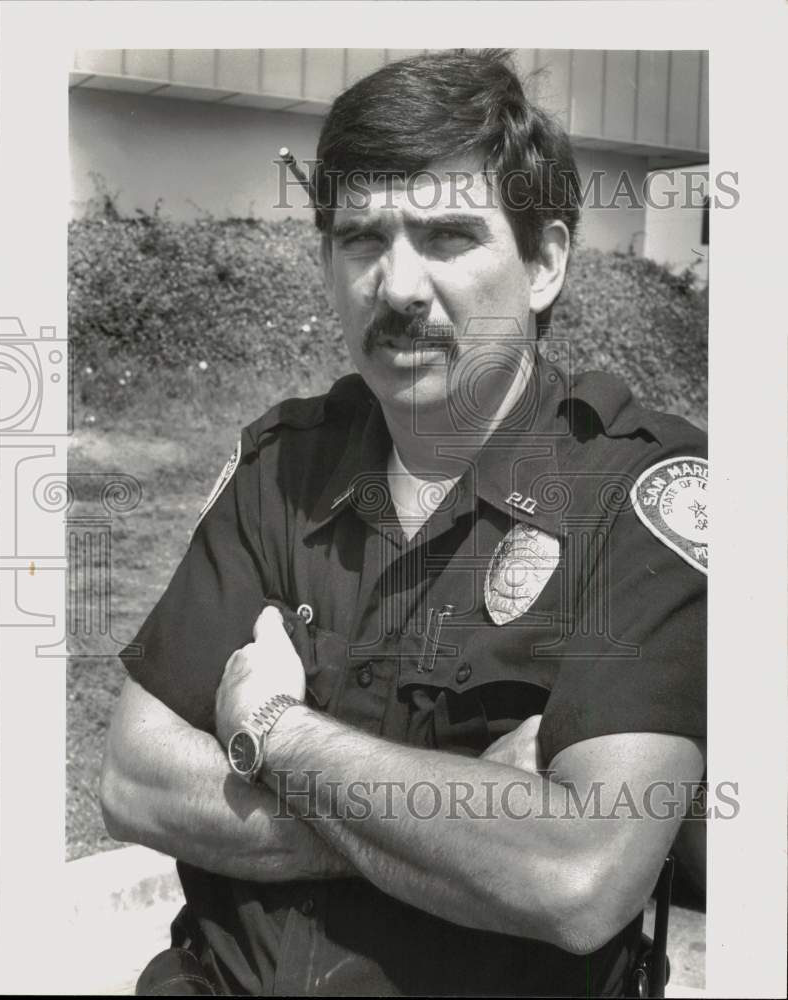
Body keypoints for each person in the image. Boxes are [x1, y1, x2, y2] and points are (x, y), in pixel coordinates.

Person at [101, 49, 707, 997]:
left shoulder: (641, 496)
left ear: (545, 263)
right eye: (362, 239)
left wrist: (272, 733)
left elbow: (578, 877)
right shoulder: (283, 469)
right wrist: (462, 823)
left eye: (449, 235)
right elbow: (134, 779)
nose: (398, 286)